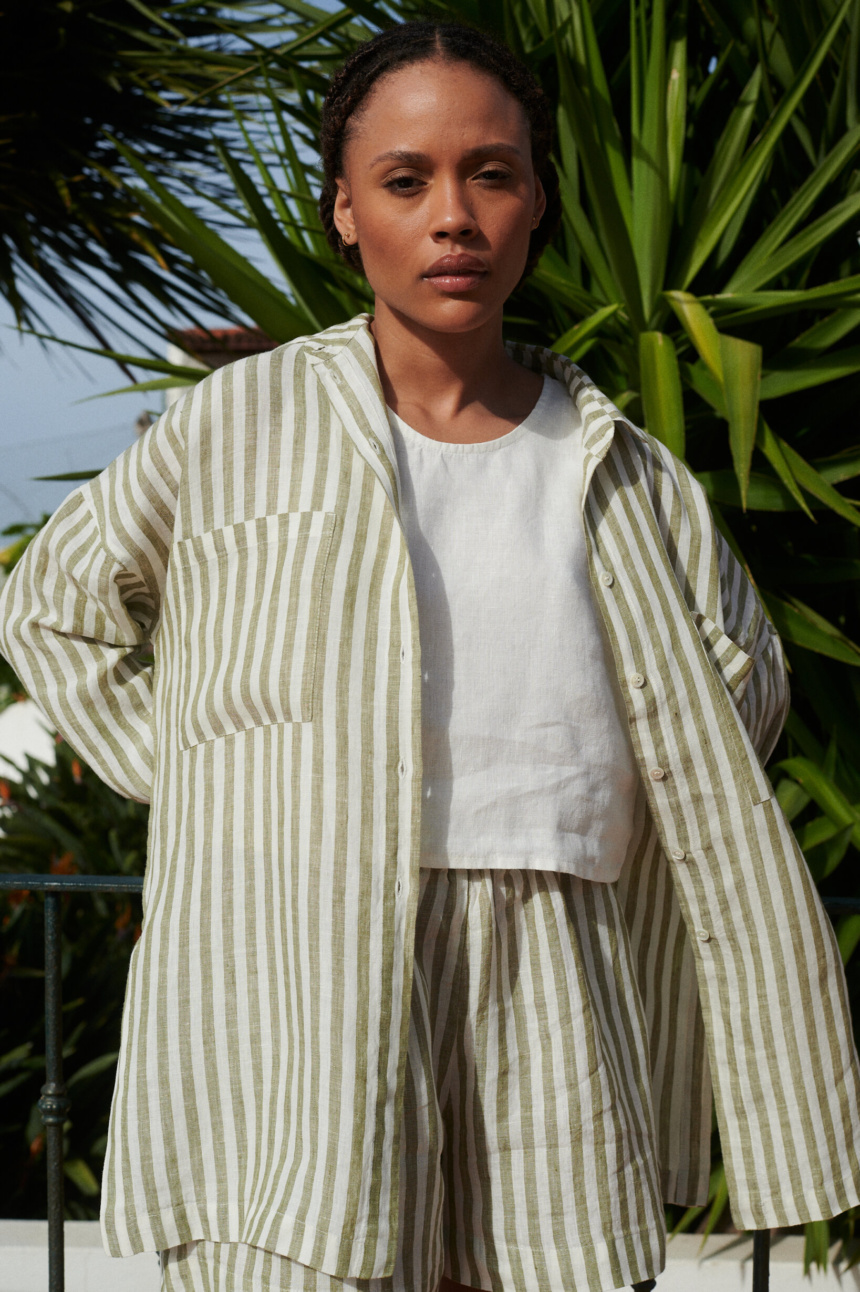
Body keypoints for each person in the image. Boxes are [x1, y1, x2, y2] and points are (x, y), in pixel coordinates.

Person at [1, 19, 859, 1292]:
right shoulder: (241, 420)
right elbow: (56, 605)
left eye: (491, 174)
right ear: (345, 211)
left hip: (556, 934)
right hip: (304, 933)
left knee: (551, 1271)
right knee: (293, 1260)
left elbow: (744, 676)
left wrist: (648, 774)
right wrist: (205, 776)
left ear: (535, 202)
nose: (451, 215)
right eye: (405, 180)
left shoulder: (617, 461)